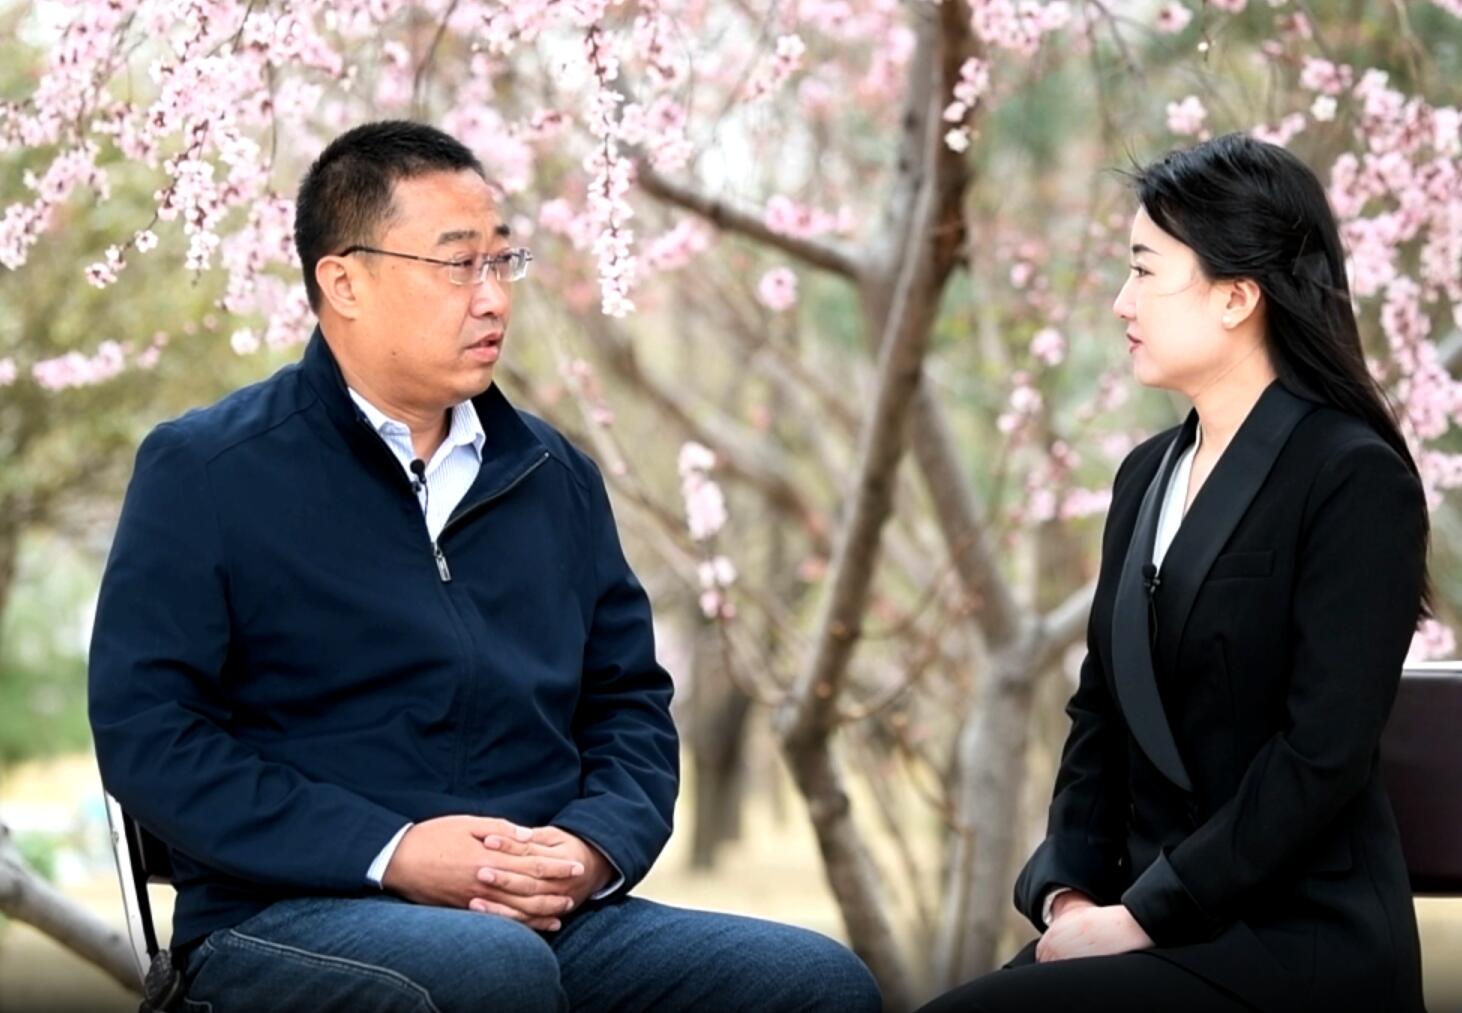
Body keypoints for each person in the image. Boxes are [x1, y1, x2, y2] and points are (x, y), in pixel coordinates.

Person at [88, 120, 881, 1013]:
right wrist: (394, 849)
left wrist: (590, 849)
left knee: (815, 984)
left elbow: (627, 703)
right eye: (459, 264)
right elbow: (151, 733)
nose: (494, 297)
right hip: (287, 912)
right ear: (343, 282)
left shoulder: (553, 476)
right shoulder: (209, 471)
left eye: (503, 262)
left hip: (546, 921)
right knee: (487, 972)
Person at [920, 133, 1430, 1013]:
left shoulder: (1352, 477)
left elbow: (1321, 752)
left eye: (1145, 270)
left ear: (1236, 296)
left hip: (1296, 941)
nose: (1121, 300)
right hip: (1146, 923)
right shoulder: (1144, 476)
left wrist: (1144, 914)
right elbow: (1100, 715)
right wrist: (1067, 892)